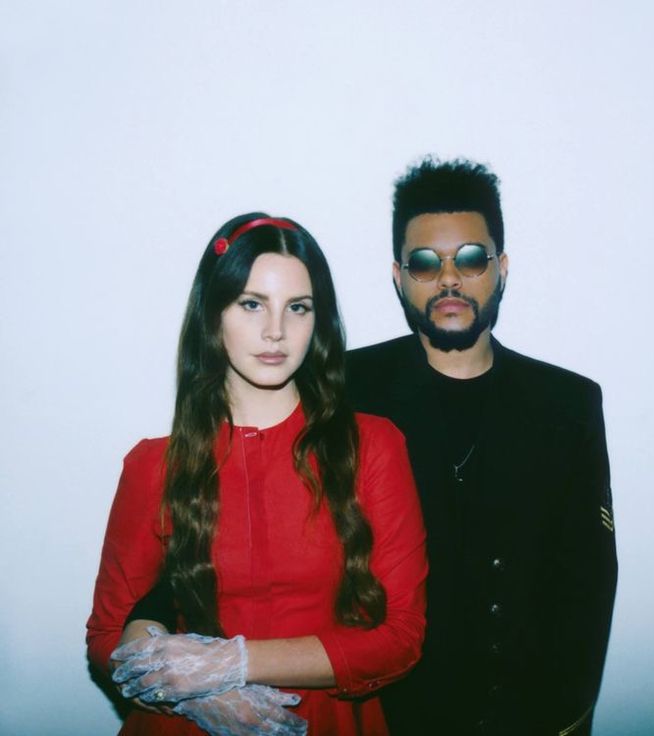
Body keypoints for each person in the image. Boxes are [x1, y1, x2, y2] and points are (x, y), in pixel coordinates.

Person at [86, 214, 427, 736]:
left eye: (298, 308)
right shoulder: (154, 465)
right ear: (213, 313)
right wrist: (193, 696)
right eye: (251, 304)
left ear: (319, 321)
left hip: (327, 719)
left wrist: (230, 665)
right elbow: (107, 634)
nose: (276, 331)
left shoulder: (373, 447)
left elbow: (401, 638)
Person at [344, 158, 618, 735]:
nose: (449, 279)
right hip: (386, 718)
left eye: (471, 258)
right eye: (425, 263)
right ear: (398, 276)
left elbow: (589, 584)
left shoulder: (567, 404)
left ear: (501, 268)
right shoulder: (346, 389)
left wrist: (565, 719)